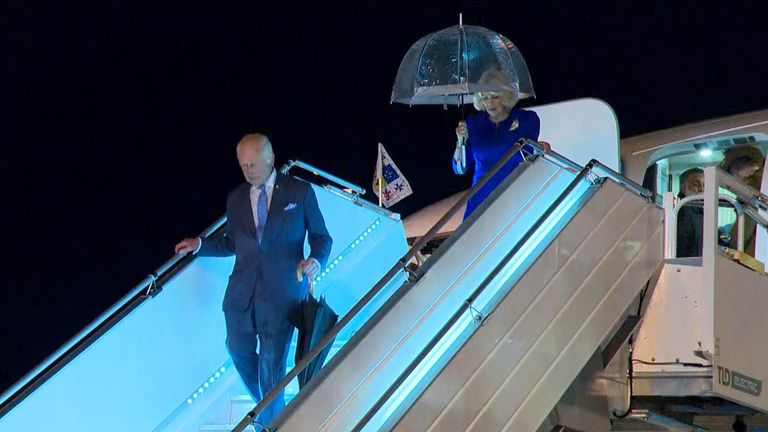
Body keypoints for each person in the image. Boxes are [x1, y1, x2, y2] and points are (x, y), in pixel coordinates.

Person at [175, 133, 332, 427]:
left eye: (254, 165)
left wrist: (315, 261)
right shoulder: (235, 199)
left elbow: (322, 238)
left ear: (271, 159)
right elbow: (231, 243)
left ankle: (268, 425)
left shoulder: (299, 193)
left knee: (271, 370)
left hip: (282, 297)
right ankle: (275, 411)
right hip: (240, 297)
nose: (249, 172)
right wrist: (199, 244)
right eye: (244, 166)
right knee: (236, 349)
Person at [453, 69, 550, 220]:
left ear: (505, 96)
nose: (489, 103)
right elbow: (460, 169)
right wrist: (461, 141)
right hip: (480, 200)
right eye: (484, 97)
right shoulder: (474, 124)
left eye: (495, 96)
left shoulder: (526, 120)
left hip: (514, 196)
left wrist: (542, 147)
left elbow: (530, 153)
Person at [676, 168, 705, 258]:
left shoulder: (700, 211)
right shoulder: (682, 212)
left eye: (704, 185)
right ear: (683, 188)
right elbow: (680, 249)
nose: (702, 189)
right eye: (696, 184)